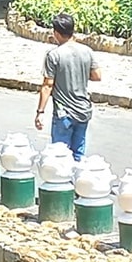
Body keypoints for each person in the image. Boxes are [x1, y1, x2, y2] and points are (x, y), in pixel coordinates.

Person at [36, 12, 100, 159]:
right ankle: (78, 181)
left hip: (63, 112)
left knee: (60, 155)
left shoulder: (54, 55)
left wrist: (40, 112)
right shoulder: (87, 51)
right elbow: (97, 76)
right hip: (83, 110)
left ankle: (63, 182)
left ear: (56, 33)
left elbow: (47, 85)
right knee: (78, 154)